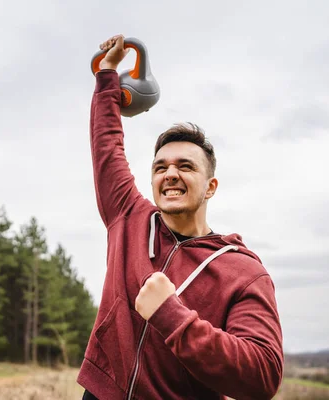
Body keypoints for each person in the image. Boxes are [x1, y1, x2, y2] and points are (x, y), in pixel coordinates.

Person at [77, 34, 284, 400]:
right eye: (160, 167)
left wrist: (171, 315)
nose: (170, 174)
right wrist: (108, 74)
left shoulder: (244, 272)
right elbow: (107, 145)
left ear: (211, 186)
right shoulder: (129, 216)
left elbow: (263, 375)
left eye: (185, 166)